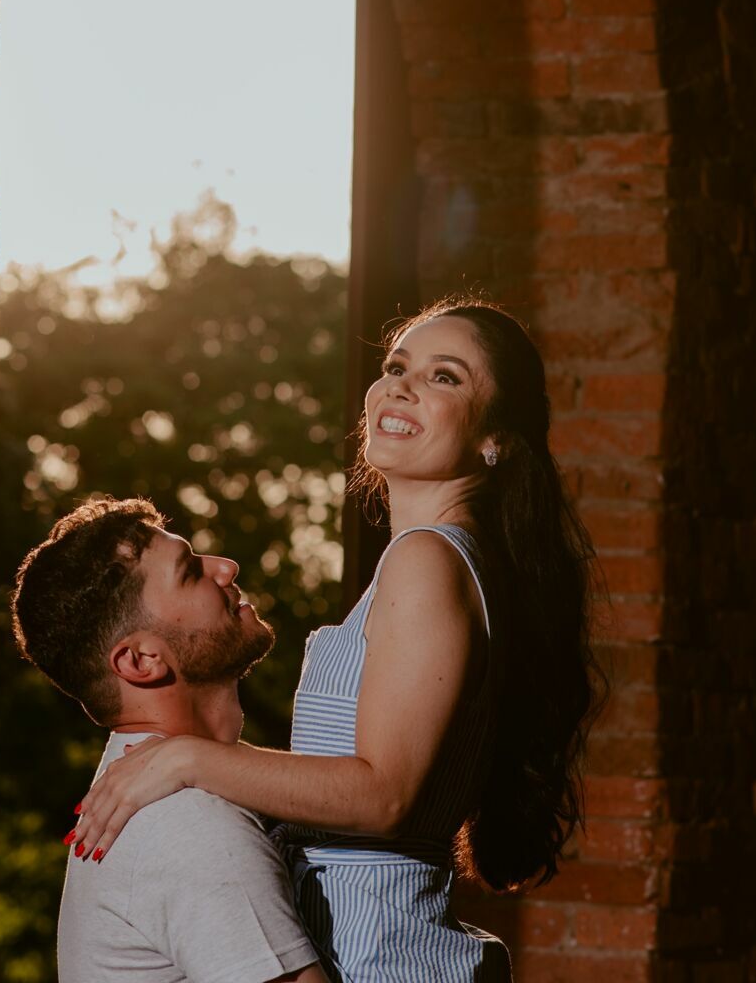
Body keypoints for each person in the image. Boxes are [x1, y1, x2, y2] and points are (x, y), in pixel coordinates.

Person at [72, 296, 606, 981]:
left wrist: (184, 759)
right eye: (396, 364)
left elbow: (384, 797)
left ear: (493, 439)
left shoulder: (427, 561)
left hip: (382, 960)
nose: (401, 384)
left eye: (446, 376)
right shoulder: (427, 562)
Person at [11, 496, 329, 983]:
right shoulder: (193, 829)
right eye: (189, 572)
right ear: (141, 660)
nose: (225, 568)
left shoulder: (167, 797)